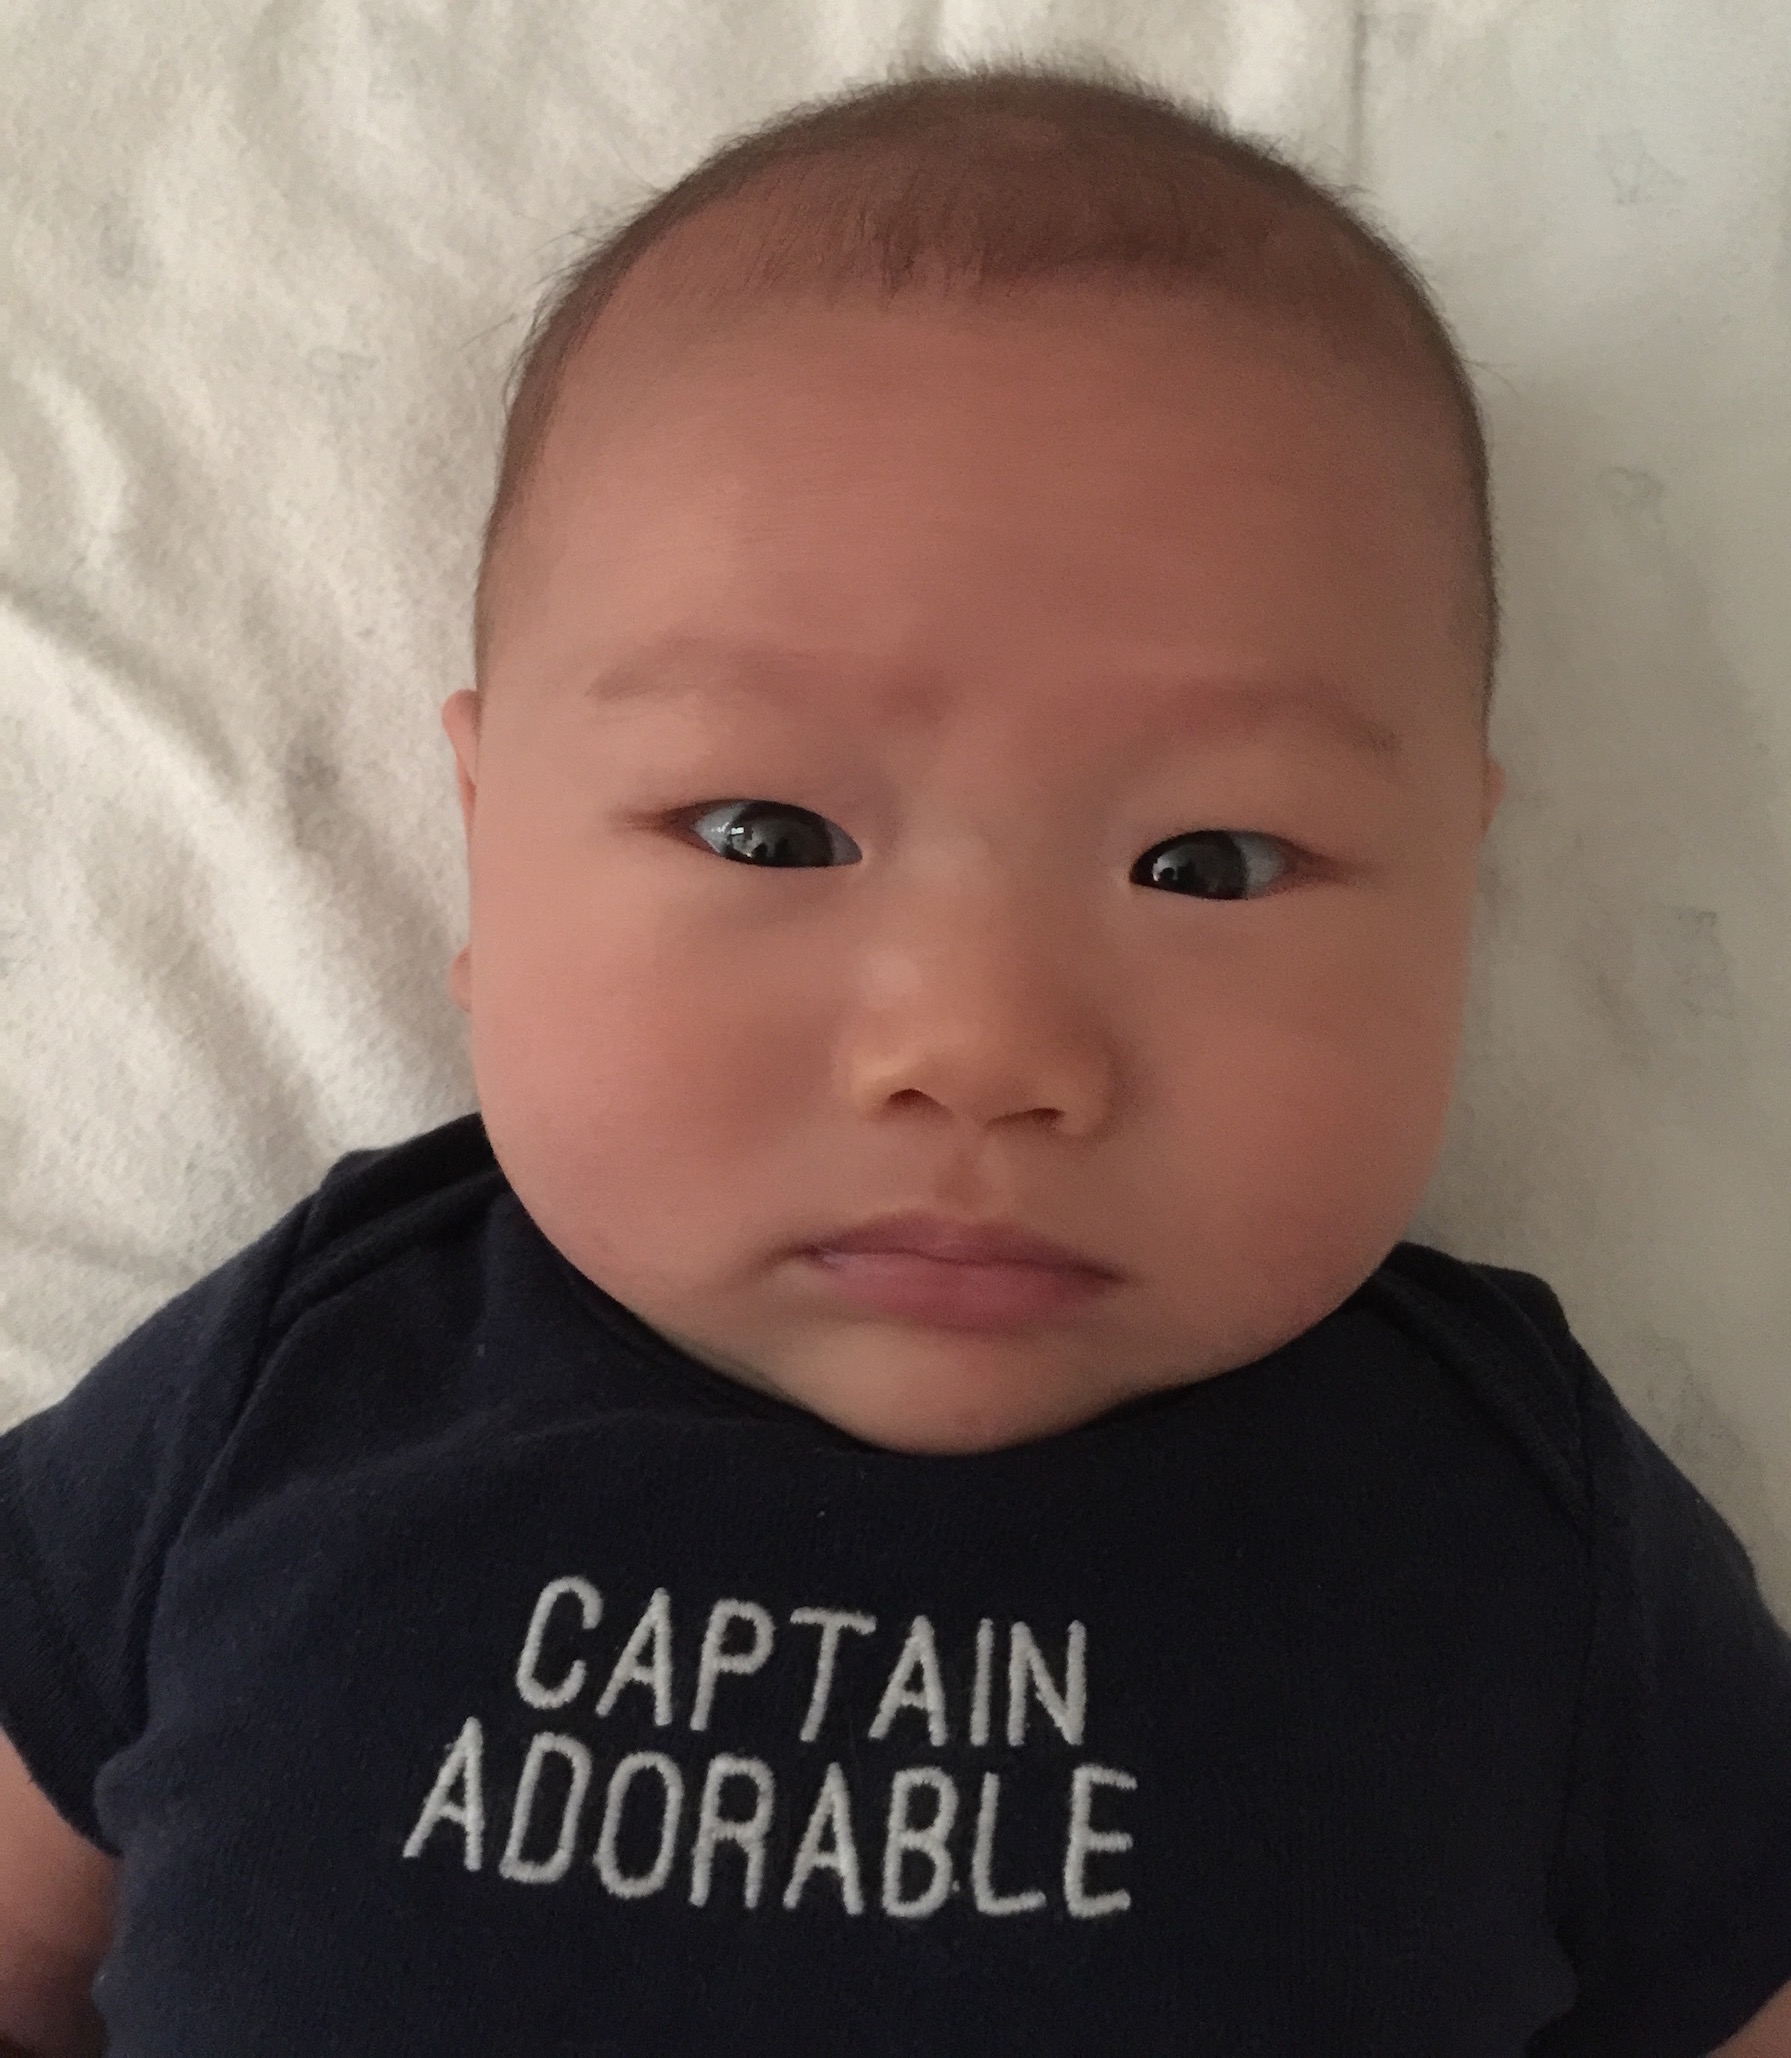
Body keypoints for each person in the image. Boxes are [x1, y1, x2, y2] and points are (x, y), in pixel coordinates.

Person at [3, 57, 1790, 2058]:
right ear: (486, 842)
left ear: (1457, 881)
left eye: (1207, 863)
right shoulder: (303, 1384)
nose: (978, 1048)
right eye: (765, 834)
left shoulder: (1509, 1525)